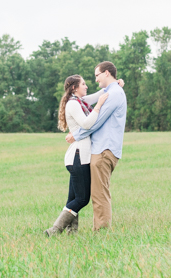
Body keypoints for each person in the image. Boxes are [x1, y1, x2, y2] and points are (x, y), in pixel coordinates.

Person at [44, 74, 124, 236]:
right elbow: (87, 124)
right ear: (74, 88)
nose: (87, 86)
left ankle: (71, 233)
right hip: (78, 156)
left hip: (81, 155)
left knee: (73, 198)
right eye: (83, 84)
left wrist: (115, 84)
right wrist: (98, 106)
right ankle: (54, 230)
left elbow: (98, 94)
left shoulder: (80, 101)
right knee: (82, 199)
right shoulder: (74, 104)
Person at [66, 61, 127, 231]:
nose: (95, 79)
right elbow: (85, 99)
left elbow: (97, 122)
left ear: (107, 73)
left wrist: (75, 135)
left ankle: (101, 233)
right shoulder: (112, 91)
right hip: (103, 149)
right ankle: (93, 230)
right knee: (98, 193)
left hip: (103, 150)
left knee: (99, 195)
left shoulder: (114, 94)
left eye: (97, 75)